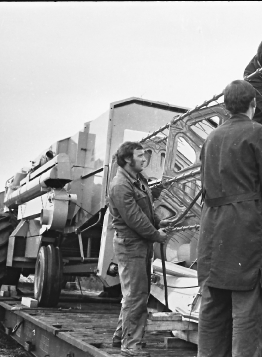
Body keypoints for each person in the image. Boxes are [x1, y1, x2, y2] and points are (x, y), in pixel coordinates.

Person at [197, 80, 262, 357]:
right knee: (247, 314)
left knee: (212, 311)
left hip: (212, 232)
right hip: (246, 230)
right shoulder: (258, 133)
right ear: (253, 105)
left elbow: (206, 186)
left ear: (225, 106)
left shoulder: (211, 138)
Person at [108, 141, 167, 357]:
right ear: (127, 160)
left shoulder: (137, 179)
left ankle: (120, 337)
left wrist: (159, 223)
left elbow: (146, 209)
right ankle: (131, 345)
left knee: (134, 294)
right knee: (136, 295)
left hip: (139, 244)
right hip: (131, 244)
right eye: (140, 155)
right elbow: (134, 218)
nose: (144, 159)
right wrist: (156, 234)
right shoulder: (120, 185)